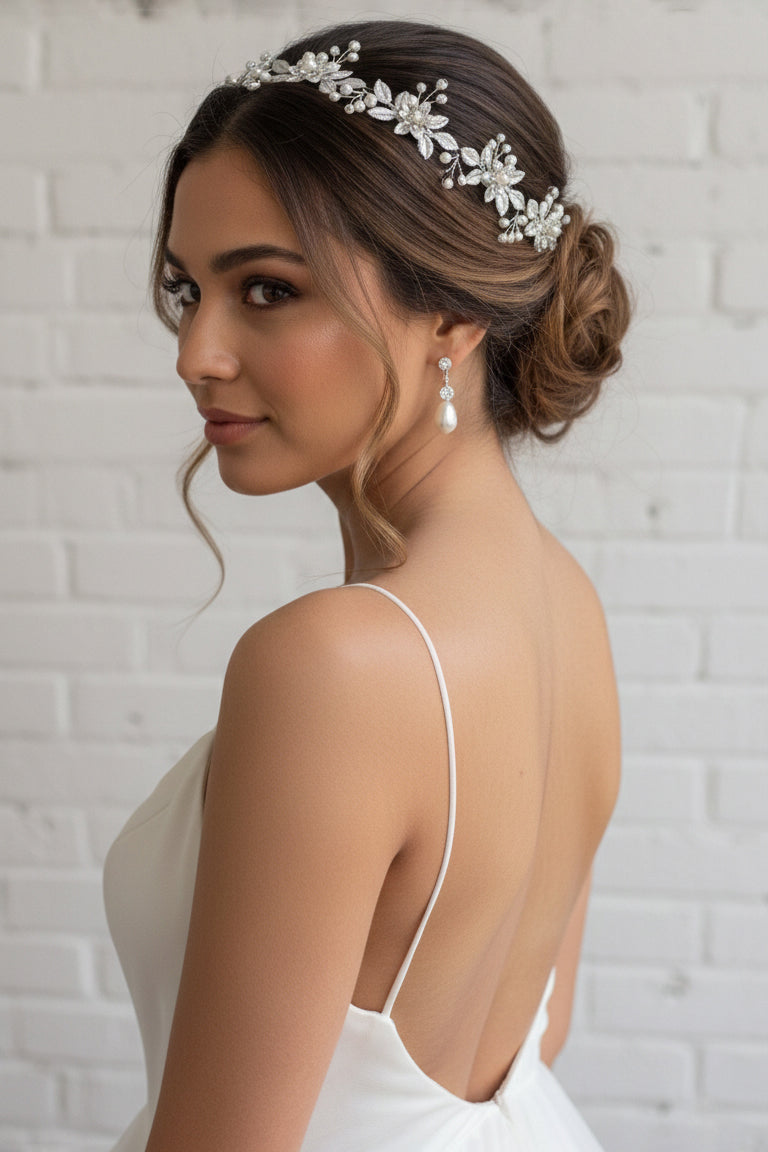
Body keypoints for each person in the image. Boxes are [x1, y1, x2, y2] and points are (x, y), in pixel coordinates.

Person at [103, 18, 631, 1152]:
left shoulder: (336, 663)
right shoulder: (568, 603)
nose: (196, 351)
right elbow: (535, 1037)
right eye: (188, 287)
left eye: (268, 290)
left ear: (450, 314)